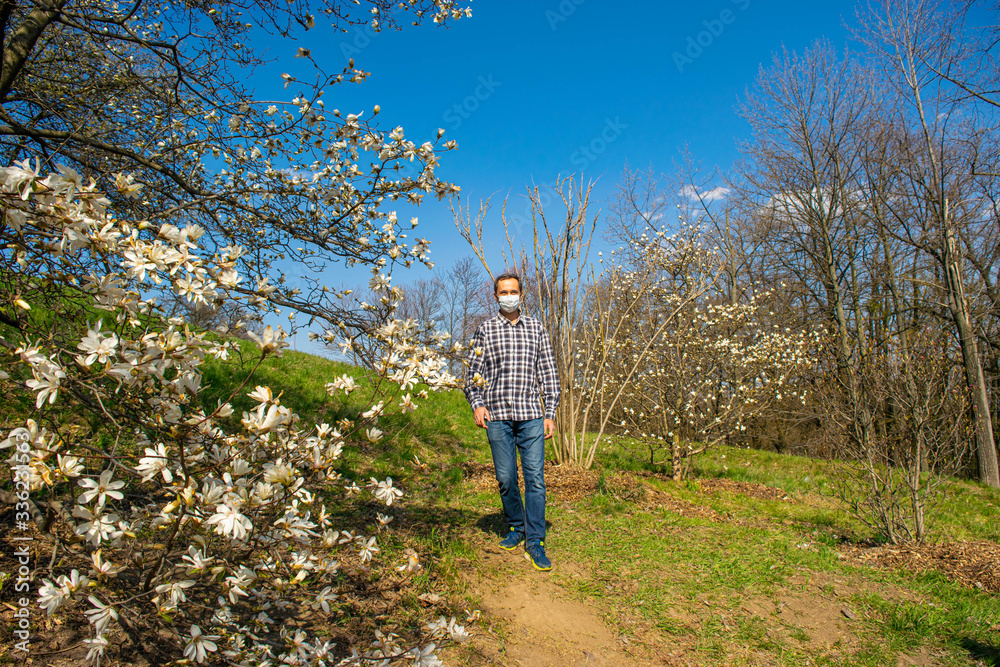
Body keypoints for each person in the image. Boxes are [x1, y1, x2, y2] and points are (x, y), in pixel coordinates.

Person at [464, 272, 560, 571]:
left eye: (513, 291)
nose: (509, 296)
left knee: (535, 479)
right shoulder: (485, 330)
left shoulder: (536, 329)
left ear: (522, 294)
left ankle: (535, 540)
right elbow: (472, 374)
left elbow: (549, 373)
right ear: (495, 296)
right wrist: (477, 405)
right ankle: (516, 525)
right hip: (498, 415)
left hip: (531, 413)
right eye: (503, 292)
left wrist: (550, 412)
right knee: (506, 478)